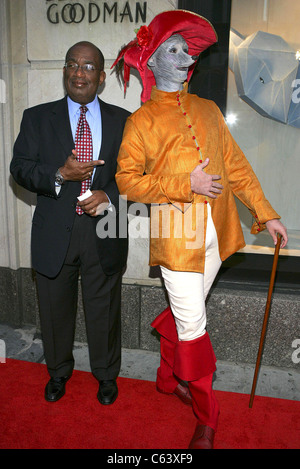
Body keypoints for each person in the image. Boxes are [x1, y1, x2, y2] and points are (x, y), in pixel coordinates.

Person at [112, 11, 288, 448]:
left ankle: (167, 377)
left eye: (185, 49)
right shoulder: (141, 123)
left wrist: (267, 214)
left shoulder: (208, 110)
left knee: (185, 311)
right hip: (177, 243)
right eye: (171, 50)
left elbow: (237, 168)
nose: (184, 55)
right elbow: (126, 182)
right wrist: (182, 184)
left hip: (219, 235)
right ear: (151, 62)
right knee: (193, 326)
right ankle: (208, 418)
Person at [10, 41, 130, 405]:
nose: (79, 73)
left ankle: (106, 376)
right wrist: (60, 173)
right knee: (54, 309)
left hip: (105, 228)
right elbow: (20, 169)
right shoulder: (36, 117)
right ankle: (58, 372)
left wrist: (107, 195)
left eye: (88, 66)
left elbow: (136, 175)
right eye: (72, 65)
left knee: (104, 309)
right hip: (54, 230)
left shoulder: (124, 121)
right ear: (64, 71)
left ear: (101, 77)